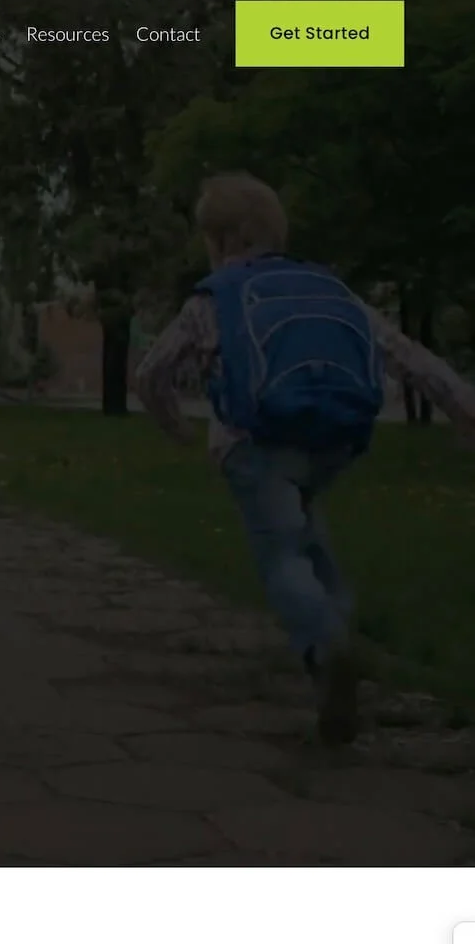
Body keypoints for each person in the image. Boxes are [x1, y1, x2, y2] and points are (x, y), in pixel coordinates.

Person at [134, 171, 475, 745]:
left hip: (255, 444)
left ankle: (326, 642)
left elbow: (151, 373)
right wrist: (464, 409)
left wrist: (175, 426)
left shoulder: (213, 298)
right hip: (334, 440)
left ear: (221, 240)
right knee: (311, 538)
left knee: (282, 554)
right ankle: (336, 639)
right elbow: (407, 355)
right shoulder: (332, 289)